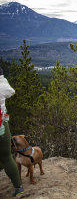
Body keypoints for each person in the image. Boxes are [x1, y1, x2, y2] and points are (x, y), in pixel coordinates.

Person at [0, 67, 24, 197]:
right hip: (1, 127)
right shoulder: (1, 86)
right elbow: (11, 91)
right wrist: (1, 77)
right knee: (7, 158)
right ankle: (18, 188)